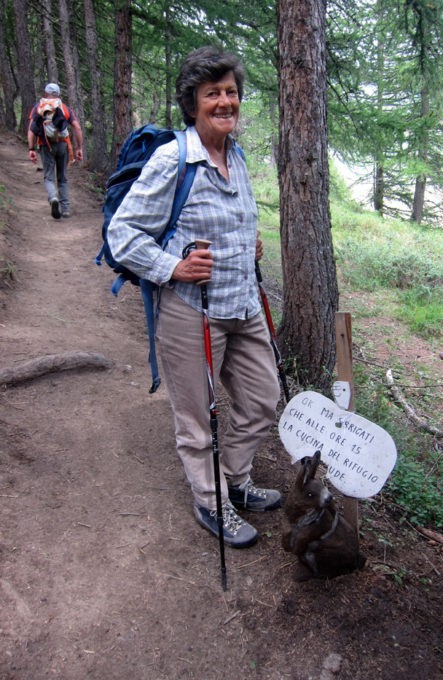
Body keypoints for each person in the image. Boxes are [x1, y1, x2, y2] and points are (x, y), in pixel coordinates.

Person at [107, 46, 282, 549]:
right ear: (193, 103)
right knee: (196, 414)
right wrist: (174, 267)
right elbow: (124, 235)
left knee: (262, 400)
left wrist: (247, 242)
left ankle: (234, 479)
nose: (225, 102)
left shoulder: (238, 155)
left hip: (244, 306)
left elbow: (231, 219)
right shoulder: (174, 159)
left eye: (231, 93)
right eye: (213, 94)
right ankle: (211, 501)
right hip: (192, 312)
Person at [27, 83, 83, 219]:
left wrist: (31, 148)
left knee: (48, 177)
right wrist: (79, 147)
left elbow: (31, 129)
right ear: (58, 94)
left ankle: (53, 198)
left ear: (46, 93)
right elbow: (76, 127)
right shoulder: (64, 108)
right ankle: (66, 209)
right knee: (62, 177)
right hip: (63, 145)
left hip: (46, 146)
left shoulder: (38, 107)